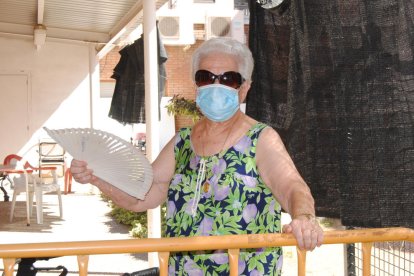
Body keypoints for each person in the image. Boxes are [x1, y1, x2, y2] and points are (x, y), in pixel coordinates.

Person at [71, 37, 324, 275]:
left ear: (245, 87)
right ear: (196, 84)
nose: (216, 85)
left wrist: (303, 218)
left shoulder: (261, 139)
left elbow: (293, 187)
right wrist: (96, 176)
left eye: (228, 78)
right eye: (206, 77)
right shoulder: (182, 142)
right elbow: (142, 195)